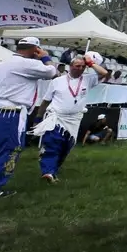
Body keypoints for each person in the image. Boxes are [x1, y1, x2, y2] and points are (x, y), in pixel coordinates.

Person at [0, 37, 60, 198]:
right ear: (35, 50)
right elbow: (53, 72)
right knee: (9, 148)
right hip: (10, 112)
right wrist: (44, 56)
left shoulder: (1, 65)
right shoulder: (28, 63)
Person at [32, 52, 110, 183]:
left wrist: (90, 62)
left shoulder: (88, 79)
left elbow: (104, 74)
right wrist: (38, 117)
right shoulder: (57, 81)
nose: (79, 69)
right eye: (77, 66)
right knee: (53, 143)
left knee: (66, 146)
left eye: (82, 67)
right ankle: (48, 172)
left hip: (74, 120)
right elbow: (45, 101)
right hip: (56, 117)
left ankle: (53, 169)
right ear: (70, 66)